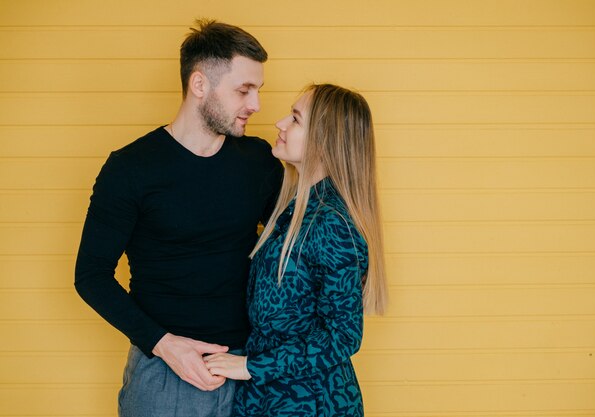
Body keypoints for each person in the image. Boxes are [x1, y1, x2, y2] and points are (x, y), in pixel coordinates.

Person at [74, 19, 283, 417]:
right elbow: (91, 275)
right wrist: (164, 344)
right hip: (163, 374)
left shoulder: (258, 161)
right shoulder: (130, 168)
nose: (255, 105)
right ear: (199, 85)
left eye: (258, 91)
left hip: (250, 369)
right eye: (244, 90)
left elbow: (294, 247)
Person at [204, 83, 388, 416]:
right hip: (267, 397)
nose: (280, 124)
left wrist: (250, 367)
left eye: (295, 119)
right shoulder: (294, 211)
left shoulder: (333, 223)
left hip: (311, 401)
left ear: (325, 140)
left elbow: (343, 336)